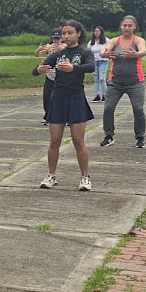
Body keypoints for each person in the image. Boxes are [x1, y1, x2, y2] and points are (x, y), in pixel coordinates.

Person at [33, 20, 95, 191]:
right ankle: (51, 175)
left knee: (78, 140)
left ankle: (85, 177)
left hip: (76, 99)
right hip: (58, 99)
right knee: (54, 140)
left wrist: (73, 68)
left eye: (69, 33)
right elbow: (38, 68)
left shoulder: (84, 52)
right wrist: (39, 70)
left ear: (78, 34)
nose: (66, 36)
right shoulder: (57, 55)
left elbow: (91, 67)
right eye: (64, 33)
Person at [99, 16, 146, 148]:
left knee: (138, 109)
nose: (127, 28)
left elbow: (143, 50)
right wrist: (105, 54)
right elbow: (104, 50)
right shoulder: (115, 41)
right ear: (121, 26)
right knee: (108, 108)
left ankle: (140, 137)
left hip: (135, 82)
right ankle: (109, 135)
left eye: (129, 26)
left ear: (134, 27)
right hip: (115, 82)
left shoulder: (138, 40)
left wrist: (136, 54)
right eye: (124, 25)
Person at [33, 29, 63, 126]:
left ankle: (63, 117)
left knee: (61, 97)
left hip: (61, 75)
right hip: (50, 74)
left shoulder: (65, 47)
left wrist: (61, 49)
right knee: (47, 96)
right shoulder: (49, 47)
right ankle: (48, 116)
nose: (56, 41)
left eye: (58, 38)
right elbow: (37, 54)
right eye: (54, 39)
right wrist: (39, 50)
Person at [88, 26, 108, 102]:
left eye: (98, 31)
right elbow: (89, 51)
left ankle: (105, 95)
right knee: (96, 78)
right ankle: (97, 95)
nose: (96, 32)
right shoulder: (91, 42)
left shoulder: (106, 40)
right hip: (94, 61)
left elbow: (110, 48)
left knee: (102, 78)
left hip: (103, 61)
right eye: (95, 31)